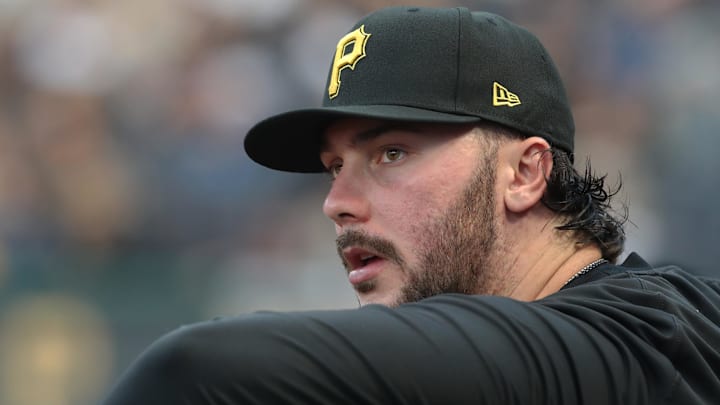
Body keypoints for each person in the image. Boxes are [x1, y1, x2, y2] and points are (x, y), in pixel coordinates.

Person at [103, 6, 720, 404]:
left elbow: (200, 371)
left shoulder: (651, 337)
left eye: (391, 154)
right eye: (334, 167)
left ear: (526, 173)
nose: (336, 204)